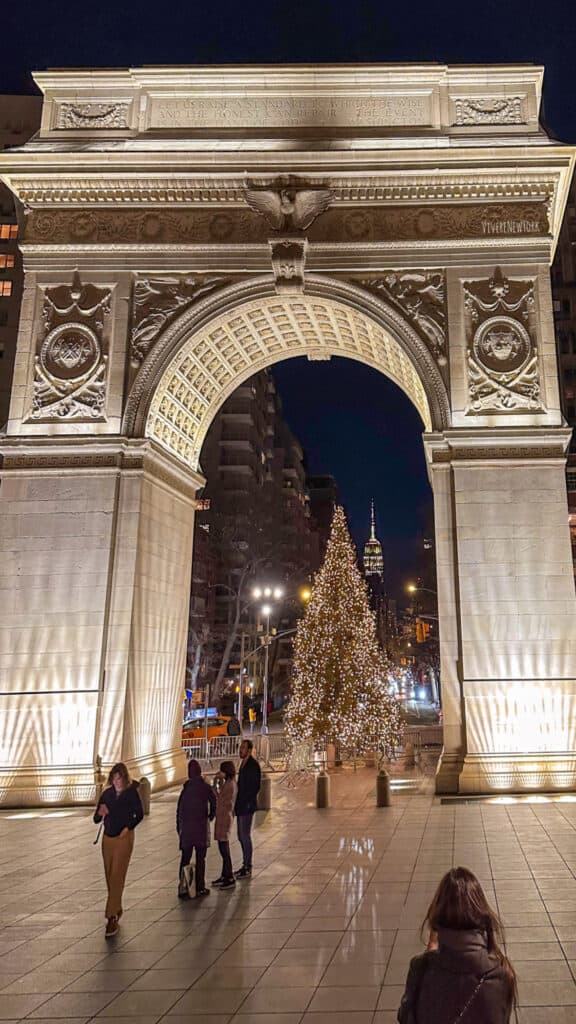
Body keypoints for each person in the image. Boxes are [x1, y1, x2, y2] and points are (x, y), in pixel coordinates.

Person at [397, 866, 517, 1024]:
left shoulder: (421, 970)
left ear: (438, 918)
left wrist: (430, 953)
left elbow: (405, 1018)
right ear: (481, 916)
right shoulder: (502, 974)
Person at [93, 762, 143, 938]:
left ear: (125, 778)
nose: (117, 782)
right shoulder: (107, 794)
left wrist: (128, 827)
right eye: (114, 779)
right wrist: (100, 813)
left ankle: (111, 917)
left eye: (120, 778)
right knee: (110, 876)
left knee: (117, 875)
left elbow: (139, 814)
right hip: (108, 838)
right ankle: (117, 906)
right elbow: (96, 818)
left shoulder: (131, 793)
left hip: (123, 838)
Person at [176, 759, 216, 900]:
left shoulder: (186, 789)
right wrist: (210, 816)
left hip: (187, 830)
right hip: (200, 828)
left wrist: (179, 828)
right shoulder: (205, 787)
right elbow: (214, 801)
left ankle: (183, 887)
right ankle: (199, 887)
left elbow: (179, 810)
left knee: (185, 858)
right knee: (200, 858)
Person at [234, 738, 261, 878]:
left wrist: (248, 801)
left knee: (245, 835)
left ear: (249, 750)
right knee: (240, 835)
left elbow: (255, 786)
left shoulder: (253, 765)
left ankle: (247, 865)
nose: (240, 750)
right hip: (241, 805)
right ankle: (245, 863)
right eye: (240, 747)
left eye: (243, 748)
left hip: (247, 805)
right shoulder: (243, 764)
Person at [212, 760, 237, 889]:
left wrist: (214, 784)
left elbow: (220, 799)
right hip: (223, 816)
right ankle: (224, 874)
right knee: (222, 846)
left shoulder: (229, 785)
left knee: (224, 848)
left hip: (224, 817)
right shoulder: (229, 783)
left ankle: (229, 876)